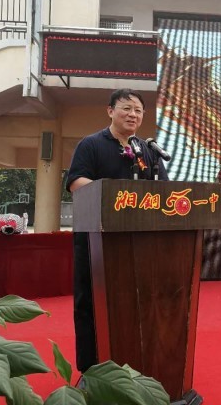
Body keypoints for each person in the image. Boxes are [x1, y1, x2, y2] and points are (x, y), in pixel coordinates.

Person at [66, 88, 168, 376]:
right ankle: (92, 368)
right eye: (126, 108)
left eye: (138, 110)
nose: (132, 114)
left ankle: (138, 364)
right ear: (110, 111)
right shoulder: (91, 144)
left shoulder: (148, 150)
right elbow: (76, 182)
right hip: (96, 239)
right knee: (92, 302)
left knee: (137, 302)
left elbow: (165, 190)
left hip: (140, 241)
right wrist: (115, 194)